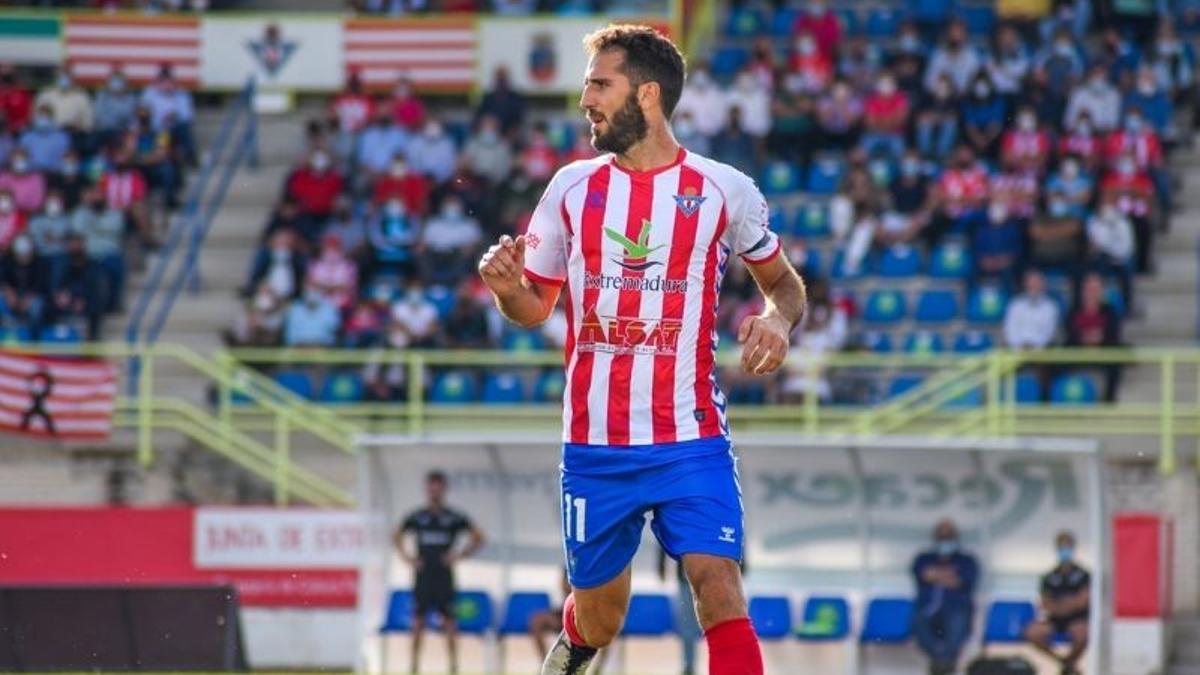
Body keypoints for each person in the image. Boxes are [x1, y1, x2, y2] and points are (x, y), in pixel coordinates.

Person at [477, 25, 806, 675]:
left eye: (600, 84)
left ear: (647, 95)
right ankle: (577, 642)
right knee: (604, 617)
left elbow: (785, 285)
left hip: (691, 435)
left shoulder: (724, 190)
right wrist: (507, 290)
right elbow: (533, 308)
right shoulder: (570, 189)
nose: (585, 99)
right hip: (597, 443)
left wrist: (778, 319)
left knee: (717, 584)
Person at [395, 470, 485, 675]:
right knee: (418, 622)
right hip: (423, 575)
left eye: (438, 488)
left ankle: (453, 666)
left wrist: (459, 555)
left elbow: (479, 537)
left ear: (443, 490)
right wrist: (408, 558)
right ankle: (414, 666)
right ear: (427, 490)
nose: (434, 492)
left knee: (450, 622)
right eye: (431, 488)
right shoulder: (418, 516)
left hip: (444, 576)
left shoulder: (453, 517)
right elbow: (396, 535)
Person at [911, 519, 979, 675]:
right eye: (941, 537)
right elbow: (923, 574)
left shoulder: (967, 560)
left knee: (958, 623)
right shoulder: (924, 558)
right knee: (917, 620)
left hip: (955, 610)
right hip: (927, 610)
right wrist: (947, 575)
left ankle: (940, 664)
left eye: (948, 537)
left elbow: (961, 581)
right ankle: (943, 662)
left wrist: (935, 575)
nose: (945, 541)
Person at [1024, 531, 1090, 675]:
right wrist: (1065, 605)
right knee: (1032, 632)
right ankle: (1065, 663)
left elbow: (1082, 602)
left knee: (1083, 633)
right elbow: (1045, 603)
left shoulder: (1084, 575)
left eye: (1067, 547)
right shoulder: (1049, 576)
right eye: (1062, 547)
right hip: (1055, 619)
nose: (1064, 551)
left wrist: (1062, 605)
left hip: (1077, 618)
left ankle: (1069, 663)